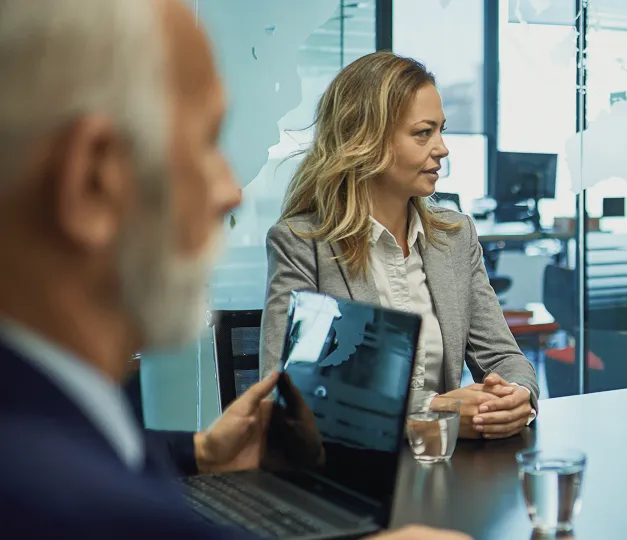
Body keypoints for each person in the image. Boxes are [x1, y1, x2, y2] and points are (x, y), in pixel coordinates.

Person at [0, 0, 467, 538]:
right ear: (91, 184)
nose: (227, 191)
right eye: (205, 143)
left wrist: (197, 452)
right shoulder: (65, 504)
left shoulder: (65, 418)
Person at [262, 52, 538, 440]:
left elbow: (504, 357)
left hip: (447, 476)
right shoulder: (303, 244)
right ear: (365, 140)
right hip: (353, 482)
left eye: (441, 130)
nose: (442, 148)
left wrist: (516, 397)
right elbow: (289, 400)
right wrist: (436, 413)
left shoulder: (455, 237)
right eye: (424, 132)